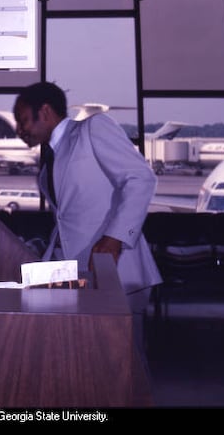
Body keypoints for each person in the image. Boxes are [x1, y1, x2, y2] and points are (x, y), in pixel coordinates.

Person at [13, 81, 162, 318]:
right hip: (76, 275)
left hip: (114, 268)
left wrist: (114, 239)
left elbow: (139, 179)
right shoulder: (48, 166)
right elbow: (66, 220)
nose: (19, 130)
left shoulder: (93, 128)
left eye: (22, 120)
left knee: (123, 352)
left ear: (45, 112)